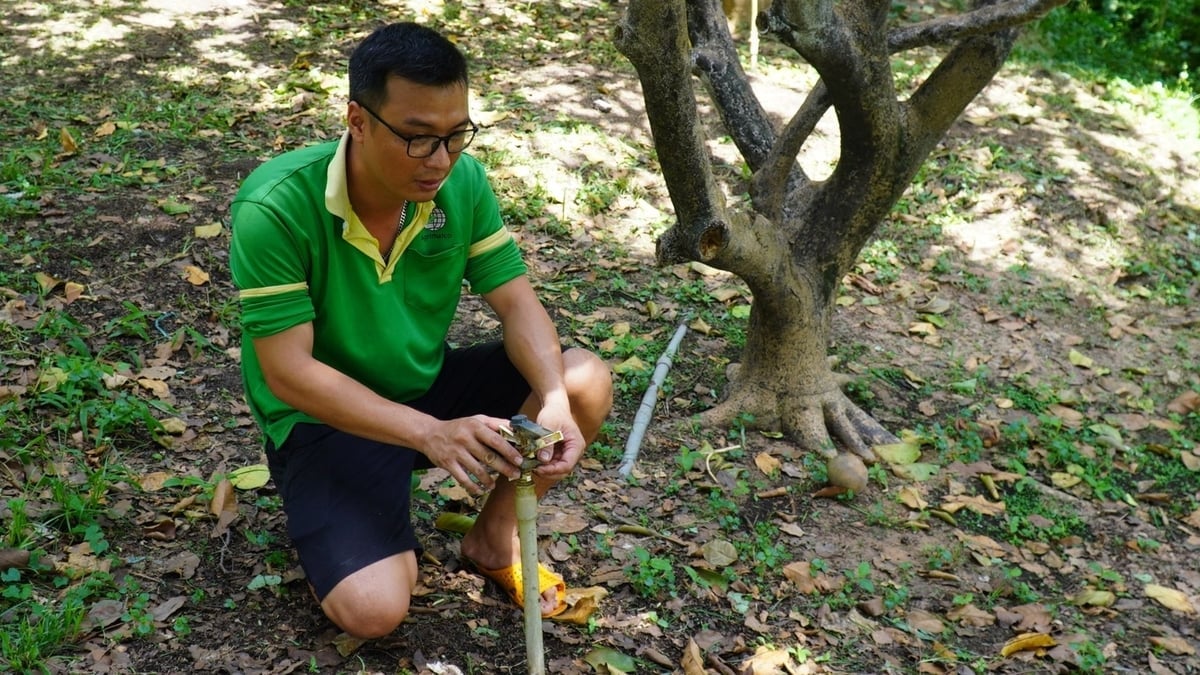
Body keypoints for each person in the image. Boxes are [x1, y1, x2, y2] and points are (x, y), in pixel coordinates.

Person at [229, 21, 613, 639]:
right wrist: (429, 434)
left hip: (422, 388)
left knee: (582, 378)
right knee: (375, 611)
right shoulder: (274, 206)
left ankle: (493, 541)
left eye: (455, 134)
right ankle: (358, 511)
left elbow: (517, 304)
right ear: (357, 120)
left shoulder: (462, 182)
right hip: (323, 418)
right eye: (417, 138)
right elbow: (288, 373)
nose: (440, 160)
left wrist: (557, 401)